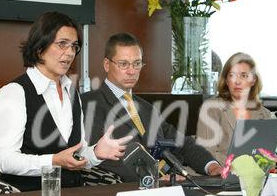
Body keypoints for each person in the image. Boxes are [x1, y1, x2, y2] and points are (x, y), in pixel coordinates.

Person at [0, 12, 131, 191]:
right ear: (39, 47)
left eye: (74, 46)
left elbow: (75, 155)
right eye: (62, 44)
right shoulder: (14, 92)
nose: (69, 53)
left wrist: (96, 152)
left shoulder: (71, 92)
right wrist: (53, 161)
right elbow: (6, 161)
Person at [81, 32, 221, 182]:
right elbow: (101, 159)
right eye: (123, 64)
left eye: (137, 63)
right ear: (107, 65)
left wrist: (211, 166)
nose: (132, 71)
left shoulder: (147, 108)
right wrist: (152, 177)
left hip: (161, 190)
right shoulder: (89, 103)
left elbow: (181, 142)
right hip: (120, 193)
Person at [196, 52, 271, 164]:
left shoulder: (264, 114)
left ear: (253, 80)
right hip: (218, 175)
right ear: (226, 80)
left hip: (254, 176)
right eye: (232, 75)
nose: (238, 81)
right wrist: (239, 165)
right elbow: (207, 151)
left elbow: (266, 152)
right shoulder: (211, 109)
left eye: (244, 76)